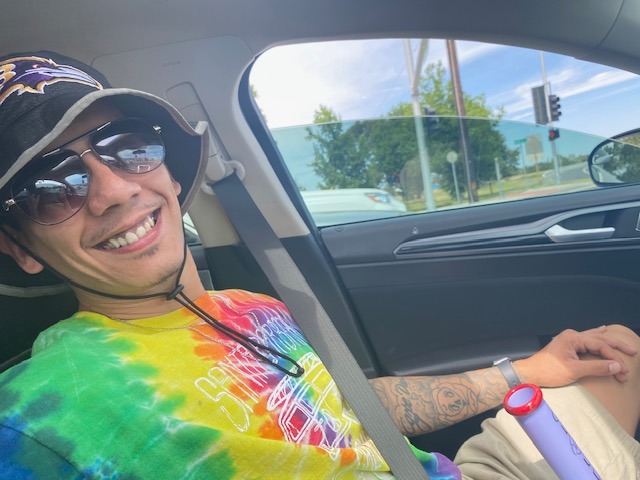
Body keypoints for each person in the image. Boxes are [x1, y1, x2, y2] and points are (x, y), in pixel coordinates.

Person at [0, 51, 638, 480]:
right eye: (50, 189)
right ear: (20, 248)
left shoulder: (253, 309)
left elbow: (348, 409)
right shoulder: (38, 419)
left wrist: (527, 370)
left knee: (622, 358)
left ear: (167, 172)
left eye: (127, 146)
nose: (114, 190)